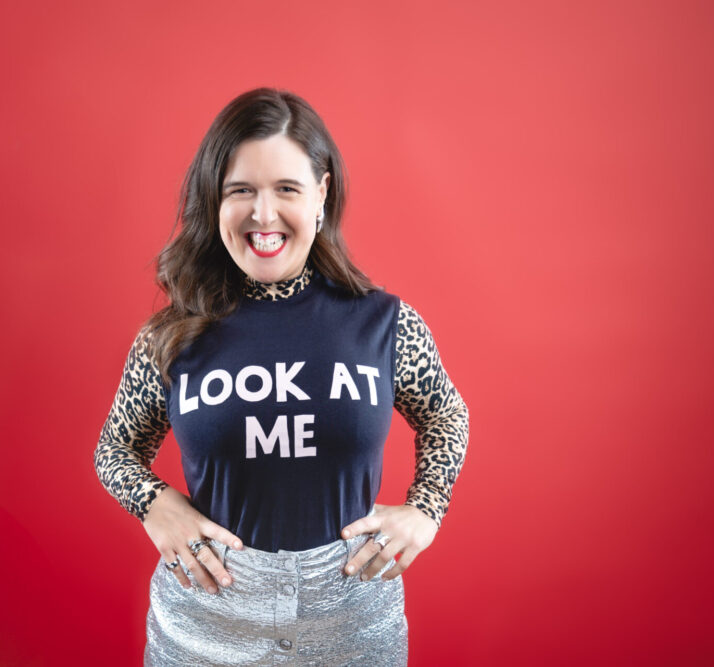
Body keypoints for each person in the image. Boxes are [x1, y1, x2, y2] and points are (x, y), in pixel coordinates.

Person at [93, 87, 470, 666]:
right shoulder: (172, 336)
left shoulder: (383, 324)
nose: (262, 214)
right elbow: (115, 447)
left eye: (286, 189)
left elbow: (446, 414)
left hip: (353, 630)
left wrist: (427, 509)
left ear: (321, 193)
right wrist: (153, 503)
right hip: (203, 629)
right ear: (214, 202)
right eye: (240, 190)